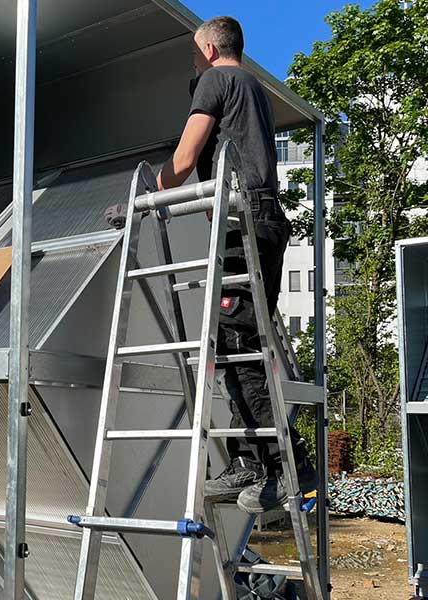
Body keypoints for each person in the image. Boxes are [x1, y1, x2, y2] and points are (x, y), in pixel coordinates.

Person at [156, 16, 317, 513]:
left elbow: (185, 158)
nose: (195, 62)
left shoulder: (216, 79)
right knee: (236, 344)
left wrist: (150, 195)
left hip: (243, 224)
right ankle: (250, 459)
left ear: (208, 49)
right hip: (262, 221)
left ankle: (288, 466)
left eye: (195, 53)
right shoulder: (254, 90)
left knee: (240, 346)